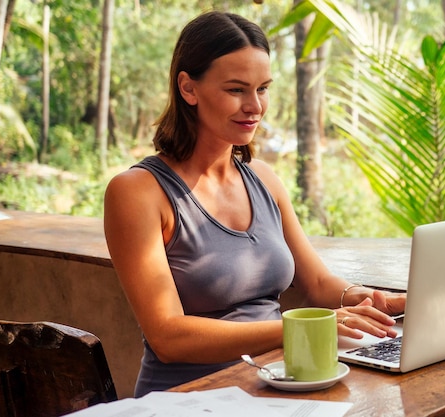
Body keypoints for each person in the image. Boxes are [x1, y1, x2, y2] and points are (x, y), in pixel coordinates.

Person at [103, 10, 406, 397]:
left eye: (262, 88)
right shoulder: (138, 192)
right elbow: (167, 335)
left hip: (276, 386)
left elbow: (316, 283)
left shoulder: (263, 178)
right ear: (188, 88)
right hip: (189, 400)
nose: (255, 107)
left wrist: (378, 300)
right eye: (236, 90)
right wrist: (305, 328)